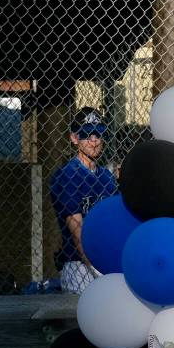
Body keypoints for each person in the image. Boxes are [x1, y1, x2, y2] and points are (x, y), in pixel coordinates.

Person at [49, 107, 117, 293]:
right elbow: (77, 233)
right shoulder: (69, 175)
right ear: (74, 138)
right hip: (78, 262)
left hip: (108, 255)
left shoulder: (106, 177)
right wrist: (100, 269)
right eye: (87, 135)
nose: (94, 141)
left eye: (98, 134)